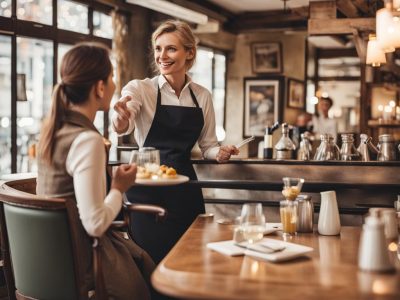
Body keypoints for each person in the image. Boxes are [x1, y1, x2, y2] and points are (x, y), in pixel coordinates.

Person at [112, 20, 239, 263]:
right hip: (146, 188)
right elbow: (122, 123)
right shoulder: (141, 89)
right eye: (158, 48)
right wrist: (120, 117)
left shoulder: (202, 95)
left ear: (189, 52)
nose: (162, 56)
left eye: (171, 48)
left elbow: (208, 146)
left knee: (189, 259)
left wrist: (219, 153)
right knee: (151, 260)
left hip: (185, 189)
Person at [36, 42, 155, 299]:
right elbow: (96, 224)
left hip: (45, 260)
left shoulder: (52, 132)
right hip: (81, 262)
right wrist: (118, 188)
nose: (113, 84)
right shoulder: (88, 140)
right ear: (100, 87)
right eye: (111, 77)